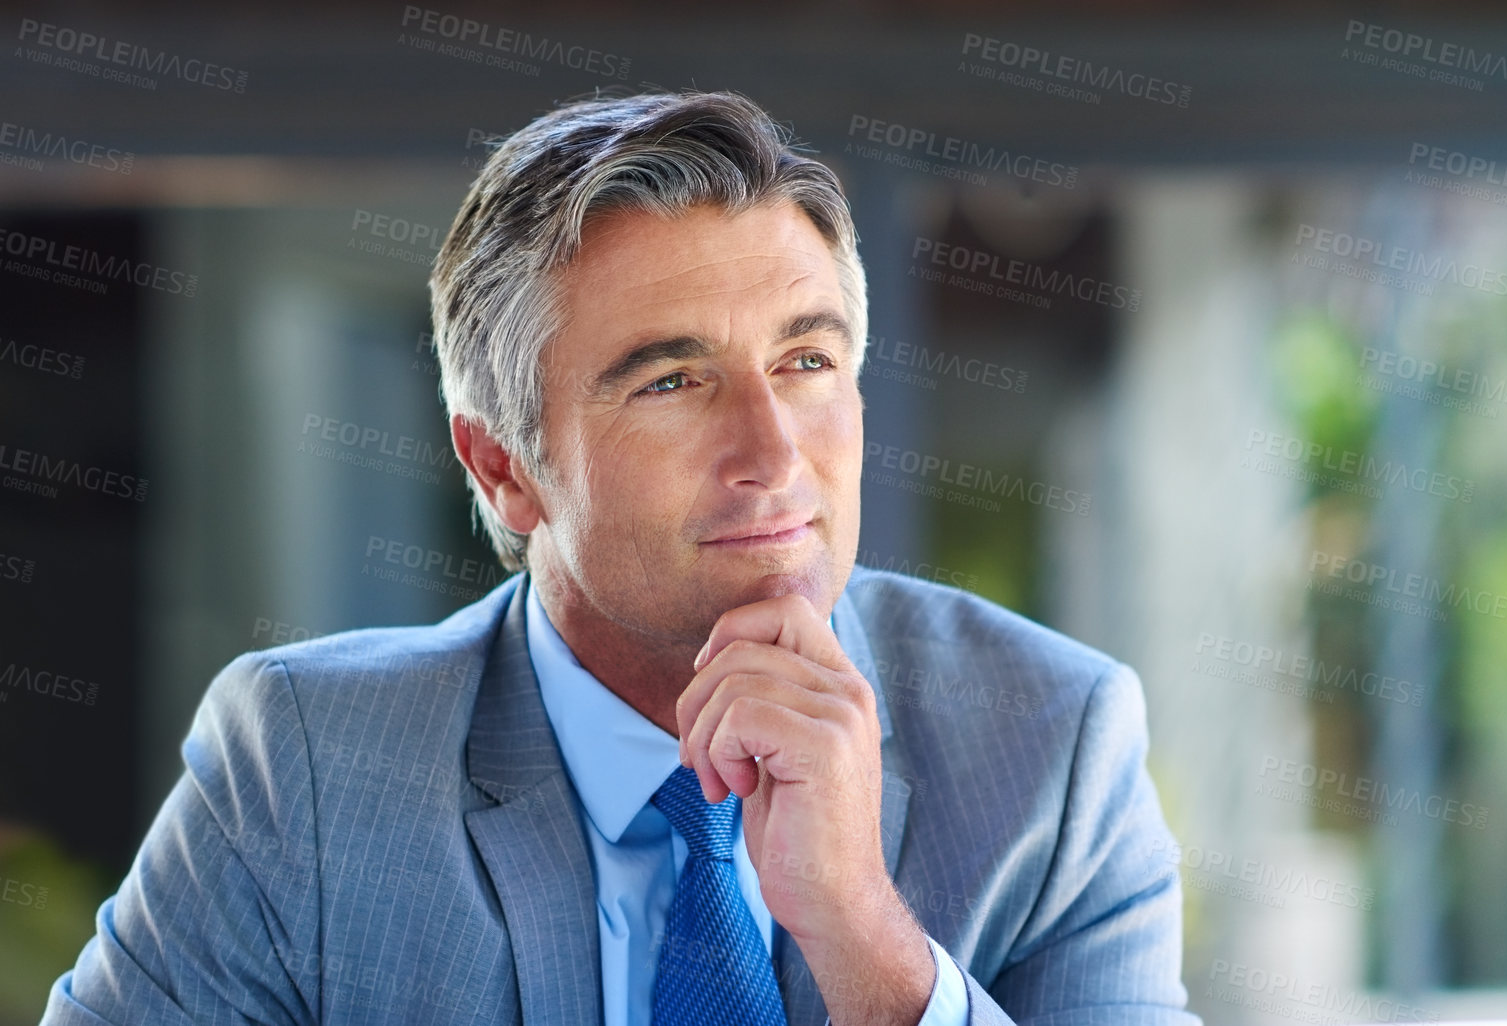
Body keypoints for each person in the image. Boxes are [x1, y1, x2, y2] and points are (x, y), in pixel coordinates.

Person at [42, 90, 1197, 1026]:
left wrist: (860, 932)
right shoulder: (305, 769)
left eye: (804, 363)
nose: (772, 454)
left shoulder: (1052, 741)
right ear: (503, 469)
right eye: (671, 381)